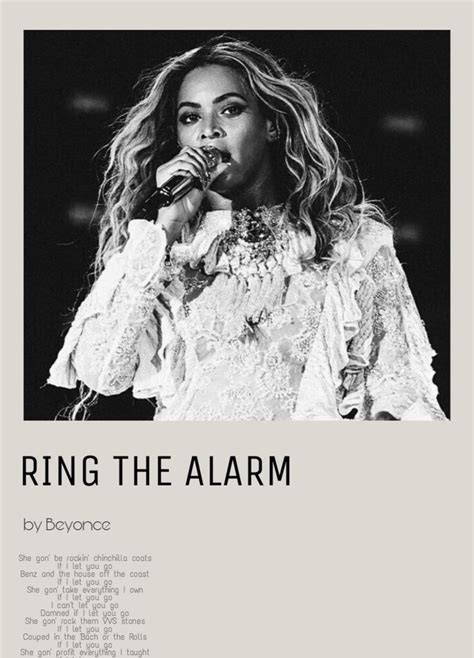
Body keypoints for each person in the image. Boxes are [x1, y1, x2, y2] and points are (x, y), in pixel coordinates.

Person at [48, 37, 446, 421]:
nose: (208, 130)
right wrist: (165, 227)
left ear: (271, 124)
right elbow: (101, 372)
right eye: (190, 117)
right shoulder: (164, 253)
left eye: (230, 110)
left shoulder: (350, 245)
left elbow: (399, 388)